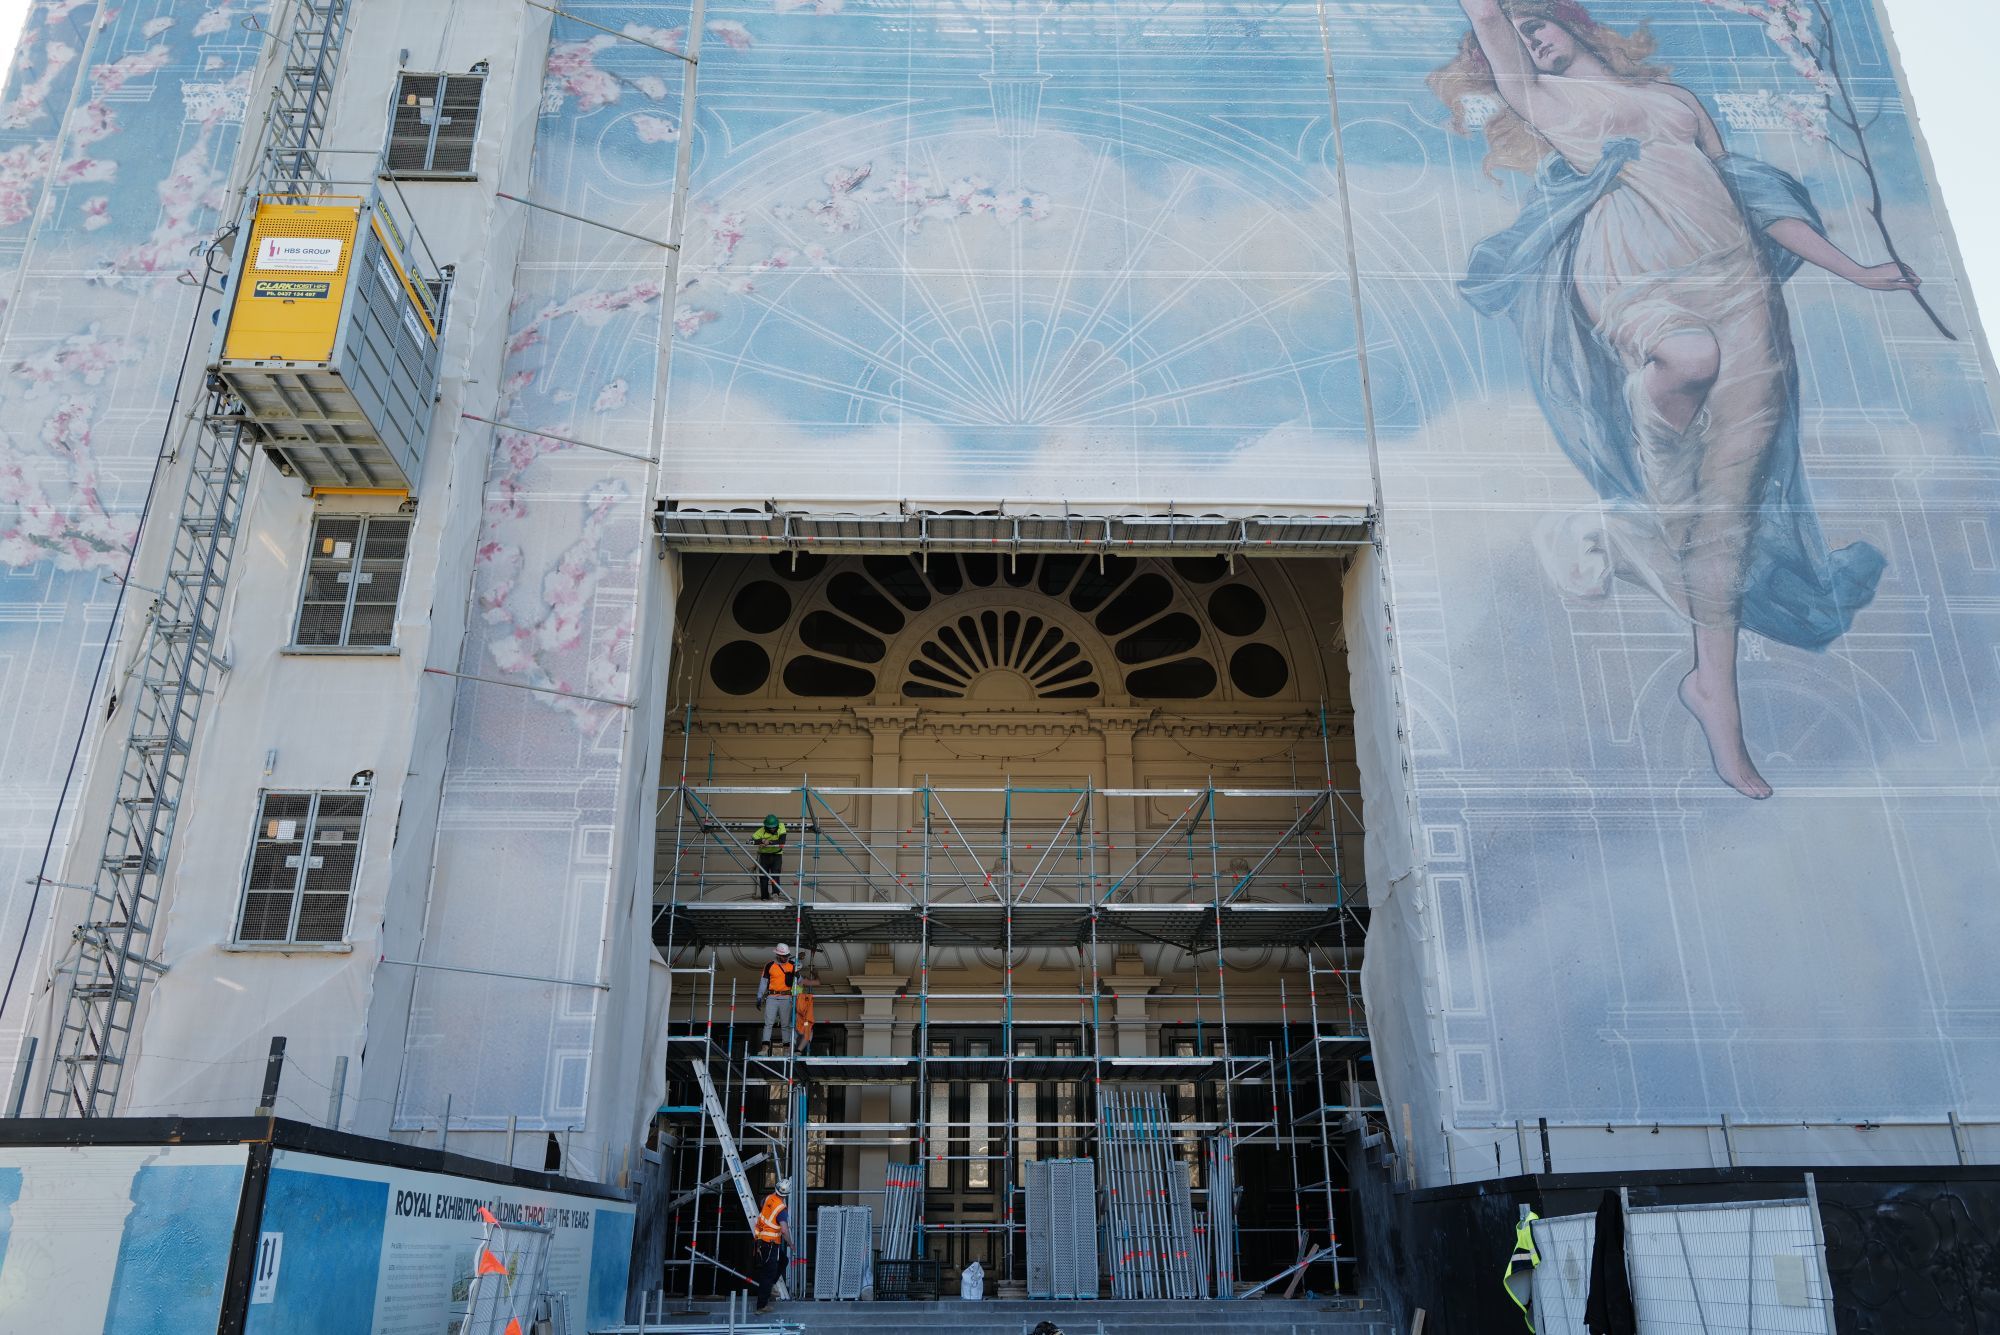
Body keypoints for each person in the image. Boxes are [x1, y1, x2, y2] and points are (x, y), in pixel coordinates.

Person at [1434, 0, 1913, 799]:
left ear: (1574, 24)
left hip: (1740, 286)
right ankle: (1653, 479)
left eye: (1538, 26)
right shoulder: (1547, 102)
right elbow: (1487, 16)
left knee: (1727, 508)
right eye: (1515, 40)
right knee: (1685, 358)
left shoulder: (1681, 102)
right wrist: (1494, 20)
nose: (1529, 42)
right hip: (1636, 282)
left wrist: (1858, 271)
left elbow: (1754, 198)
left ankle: (1715, 699)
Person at [751, 1179, 791, 1313]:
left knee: (784, 1260)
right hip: (770, 1244)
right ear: (786, 1194)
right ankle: (761, 1306)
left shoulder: (768, 1198)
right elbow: (784, 1230)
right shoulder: (781, 1209)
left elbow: (763, 1204)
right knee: (768, 1274)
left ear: (776, 1189)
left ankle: (771, 1286)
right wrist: (791, 1244)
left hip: (763, 1241)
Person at [757, 943, 796, 1055]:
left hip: (786, 997)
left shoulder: (793, 965)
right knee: (768, 1023)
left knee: (785, 1025)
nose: (786, 958)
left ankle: (787, 1050)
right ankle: (765, 1048)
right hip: (772, 997)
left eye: (787, 955)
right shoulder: (770, 965)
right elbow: (763, 982)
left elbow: (799, 982)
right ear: (778, 955)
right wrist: (759, 997)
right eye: (784, 956)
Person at [750, 813, 787, 900]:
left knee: (775, 875)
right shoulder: (761, 831)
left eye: (774, 827)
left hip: (777, 855)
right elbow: (751, 841)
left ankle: (775, 894)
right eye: (770, 828)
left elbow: (782, 842)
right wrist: (761, 840)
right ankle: (764, 896)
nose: (773, 830)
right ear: (766, 827)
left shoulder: (781, 826)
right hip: (764, 856)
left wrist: (768, 842)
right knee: (763, 877)